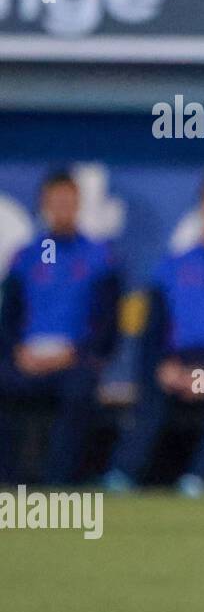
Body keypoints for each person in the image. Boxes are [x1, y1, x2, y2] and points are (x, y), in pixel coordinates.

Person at [105, 171, 204, 498]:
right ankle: (122, 475)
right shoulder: (172, 266)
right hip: (175, 360)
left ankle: (199, 479)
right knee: (150, 393)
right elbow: (152, 332)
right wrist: (165, 368)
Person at [0, 171, 120, 484]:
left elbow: (108, 324)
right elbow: (9, 317)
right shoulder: (26, 257)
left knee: (79, 391)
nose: (63, 208)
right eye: (57, 201)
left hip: (73, 360)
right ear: (44, 204)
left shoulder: (99, 258)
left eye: (69, 201)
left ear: (79, 204)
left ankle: (58, 480)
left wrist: (76, 353)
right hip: (28, 358)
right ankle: (9, 480)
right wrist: (18, 352)